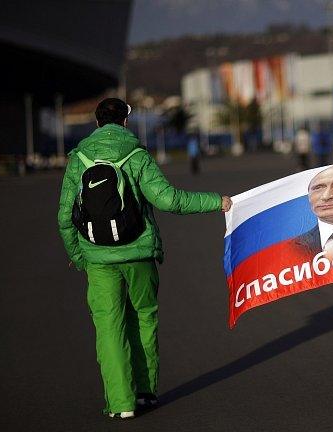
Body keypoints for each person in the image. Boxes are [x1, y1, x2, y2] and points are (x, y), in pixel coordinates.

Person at [57, 98, 233, 419]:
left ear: (97, 123)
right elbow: (170, 200)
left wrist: (78, 255)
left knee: (109, 327)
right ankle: (146, 393)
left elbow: (64, 217)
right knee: (144, 316)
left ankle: (120, 403)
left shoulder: (78, 159)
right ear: (125, 122)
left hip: (97, 256)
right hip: (138, 251)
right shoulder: (137, 156)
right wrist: (215, 201)